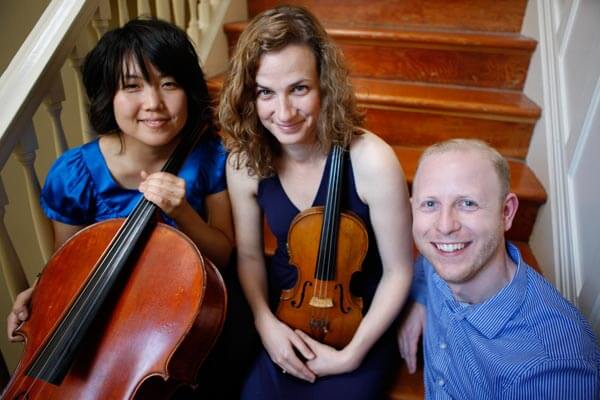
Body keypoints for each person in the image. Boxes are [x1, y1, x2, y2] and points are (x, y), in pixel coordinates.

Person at [5, 17, 237, 390]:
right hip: (103, 324)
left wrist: (183, 214)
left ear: (187, 90)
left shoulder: (209, 156)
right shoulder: (73, 174)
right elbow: (69, 264)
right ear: (106, 96)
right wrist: (40, 292)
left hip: (174, 326)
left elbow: (224, 255)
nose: (154, 103)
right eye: (131, 87)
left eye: (169, 84)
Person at [219, 5, 413, 399]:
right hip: (285, 314)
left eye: (299, 88)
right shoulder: (244, 162)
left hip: (359, 322)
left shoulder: (372, 159)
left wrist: (352, 356)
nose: (284, 112)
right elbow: (252, 257)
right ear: (249, 94)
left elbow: (399, 272)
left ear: (324, 84)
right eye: (266, 93)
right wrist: (266, 324)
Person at [397, 138, 600, 399]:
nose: (445, 226)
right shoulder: (445, 257)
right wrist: (420, 300)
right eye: (430, 204)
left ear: (506, 212)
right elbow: (427, 263)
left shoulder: (551, 366)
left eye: (467, 203)